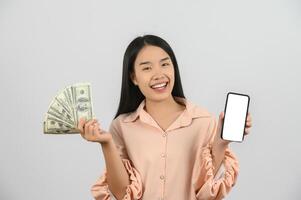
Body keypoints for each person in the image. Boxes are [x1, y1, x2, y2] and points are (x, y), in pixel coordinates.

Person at [78, 34, 252, 200]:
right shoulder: (121, 126)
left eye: (165, 64)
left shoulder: (203, 121)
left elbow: (207, 193)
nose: (159, 74)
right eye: (147, 68)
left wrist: (221, 142)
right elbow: (122, 194)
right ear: (134, 77)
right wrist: (106, 142)